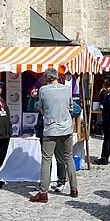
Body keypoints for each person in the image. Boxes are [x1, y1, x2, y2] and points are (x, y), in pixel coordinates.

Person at [30, 68, 79, 203]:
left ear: (46, 79)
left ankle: (43, 193)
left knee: (46, 160)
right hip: (66, 128)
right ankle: (74, 189)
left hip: (51, 128)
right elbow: (71, 107)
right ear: (57, 77)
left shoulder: (43, 90)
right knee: (68, 157)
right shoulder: (66, 89)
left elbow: (40, 108)